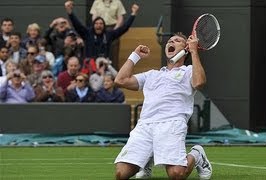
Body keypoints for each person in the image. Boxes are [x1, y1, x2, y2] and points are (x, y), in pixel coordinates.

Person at [113, 33, 212, 179]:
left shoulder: (189, 70)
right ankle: (146, 159)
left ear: (185, 48)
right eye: (170, 41)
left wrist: (194, 51)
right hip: (145, 126)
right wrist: (135, 56)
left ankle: (197, 154)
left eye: (177, 41)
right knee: (121, 174)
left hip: (172, 124)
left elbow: (199, 82)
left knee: (177, 174)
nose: (171, 42)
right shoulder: (152, 74)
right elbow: (120, 80)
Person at [65, 0, 139, 68]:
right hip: (89, 65)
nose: (99, 26)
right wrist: (70, 12)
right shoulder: (87, 33)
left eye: (101, 24)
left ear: (104, 26)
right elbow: (77, 25)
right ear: (93, 25)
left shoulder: (108, 35)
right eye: (96, 24)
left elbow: (124, 28)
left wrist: (133, 14)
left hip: (104, 65)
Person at [90, 0, 126, 67]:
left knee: (113, 50)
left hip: (113, 27)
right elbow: (94, 16)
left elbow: (120, 18)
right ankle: (97, 69)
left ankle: (113, 69)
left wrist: (115, 30)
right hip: (99, 28)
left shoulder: (117, 2)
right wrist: (96, 25)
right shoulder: (97, 2)